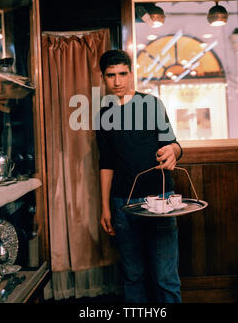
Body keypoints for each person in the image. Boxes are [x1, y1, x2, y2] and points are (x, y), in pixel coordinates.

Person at [95, 49, 183, 303]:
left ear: (131, 74)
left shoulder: (152, 104)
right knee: (133, 276)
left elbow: (174, 145)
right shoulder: (103, 115)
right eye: (111, 75)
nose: (117, 81)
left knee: (165, 277)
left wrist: (173, 151)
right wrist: (105, 207)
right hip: (123, 202)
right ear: (103, 77)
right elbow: (106, 163)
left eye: (123, 74)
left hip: (161, 199)